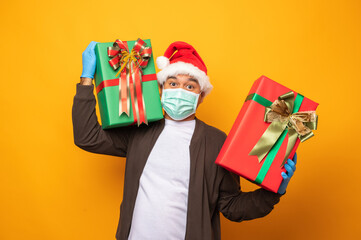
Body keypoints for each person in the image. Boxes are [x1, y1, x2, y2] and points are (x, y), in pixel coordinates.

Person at [72, 40, 297, 240]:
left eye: (190, 86)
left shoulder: (217, 141)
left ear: (201, 97)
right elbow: (88, 137)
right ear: (161, 89)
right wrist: (86, 80)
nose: (180, 90)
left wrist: (273, 191)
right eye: (173, 83)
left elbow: (231, 206)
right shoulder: (141, 129)